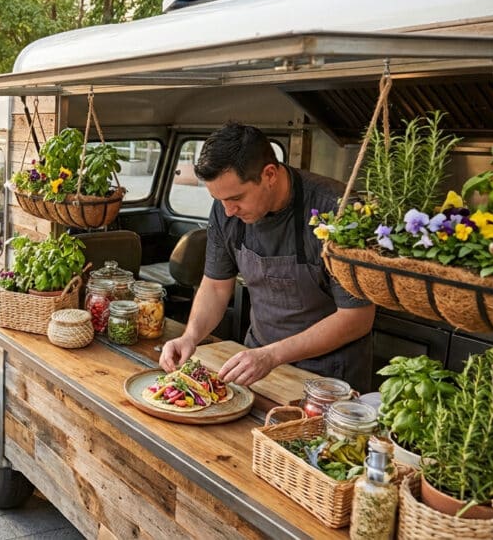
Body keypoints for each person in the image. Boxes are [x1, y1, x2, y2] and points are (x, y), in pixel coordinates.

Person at [159, 123, 376, 391]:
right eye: (219, 199)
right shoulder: (226, 208)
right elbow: (215, 286)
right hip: (259, 364)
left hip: (329, 377)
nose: (228, 211)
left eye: (236, 198)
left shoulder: (338, 210)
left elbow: (357, 318)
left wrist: (272, 355)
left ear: (269, 174)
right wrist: (190, 337)